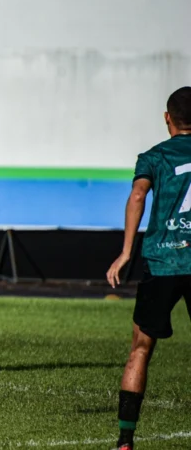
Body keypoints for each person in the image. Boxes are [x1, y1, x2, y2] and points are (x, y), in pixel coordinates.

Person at [106, 86, 191, 450]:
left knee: (141, 348)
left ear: (167, 118)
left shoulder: (154, 157)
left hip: (162, 259)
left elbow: (138, 195)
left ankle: (126, 439)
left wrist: (126, 252)